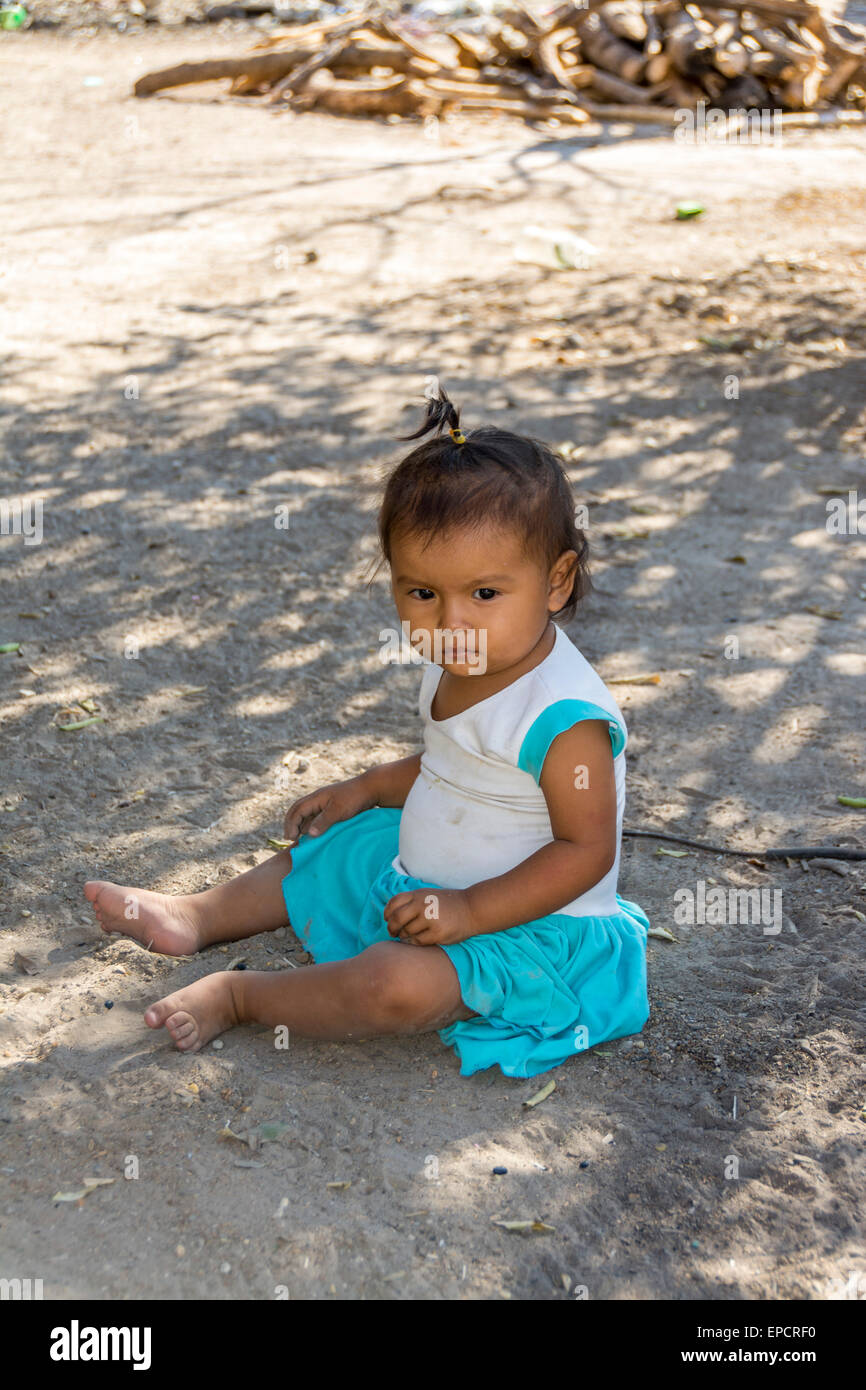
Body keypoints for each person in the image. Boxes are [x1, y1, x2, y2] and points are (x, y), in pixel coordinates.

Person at [84, 383, 649, 1078]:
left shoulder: (565, 722)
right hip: (427, 885)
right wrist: (366, 789)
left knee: (394, 986)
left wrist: (470, 910)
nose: (450, 623)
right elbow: (454, 765)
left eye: (485, 594)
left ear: (556, 582)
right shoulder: (462, 659)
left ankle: (242, 996)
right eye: (421, 594)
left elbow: (585, 851)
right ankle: (198, 915)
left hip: (530, 927)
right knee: (337, 848)